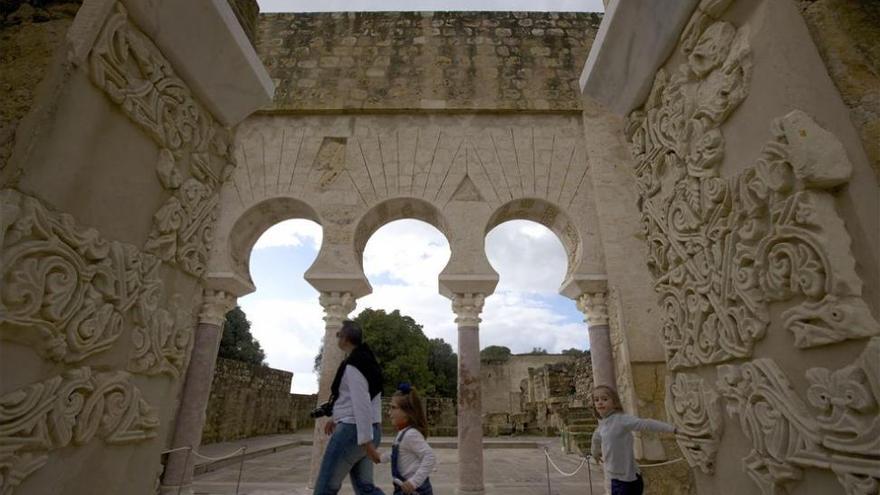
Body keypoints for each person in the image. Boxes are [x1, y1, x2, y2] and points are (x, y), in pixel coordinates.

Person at [313, 320, 385, 495]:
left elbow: (362, 403)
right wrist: (336, 418)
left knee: (325, 488)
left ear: (345, 338)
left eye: (338, 335)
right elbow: (354, 401)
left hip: (355, 433)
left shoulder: (354, 364)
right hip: (369, 429)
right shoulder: (368, 360)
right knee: (365, 488)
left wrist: (366, 442)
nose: (337, 338)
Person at [590, 385, 677, 495]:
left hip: (628, 480)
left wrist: (673, 429)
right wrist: (595, 453)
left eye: (604, 399)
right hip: (615, 479)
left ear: (614, 402)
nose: (600, 402)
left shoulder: (622, 420)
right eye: (596, 400)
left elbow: (646, 423)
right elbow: (596, 438)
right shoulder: (602, 425)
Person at [380, 383, 436, 495]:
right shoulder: (402, 433)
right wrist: (381, 457)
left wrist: (413, 482)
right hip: (403, 489)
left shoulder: (411, 434)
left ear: (407, 413)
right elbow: (398, 452)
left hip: (415, 490)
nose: (389, 412)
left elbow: (429, 456)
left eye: (393, 408)